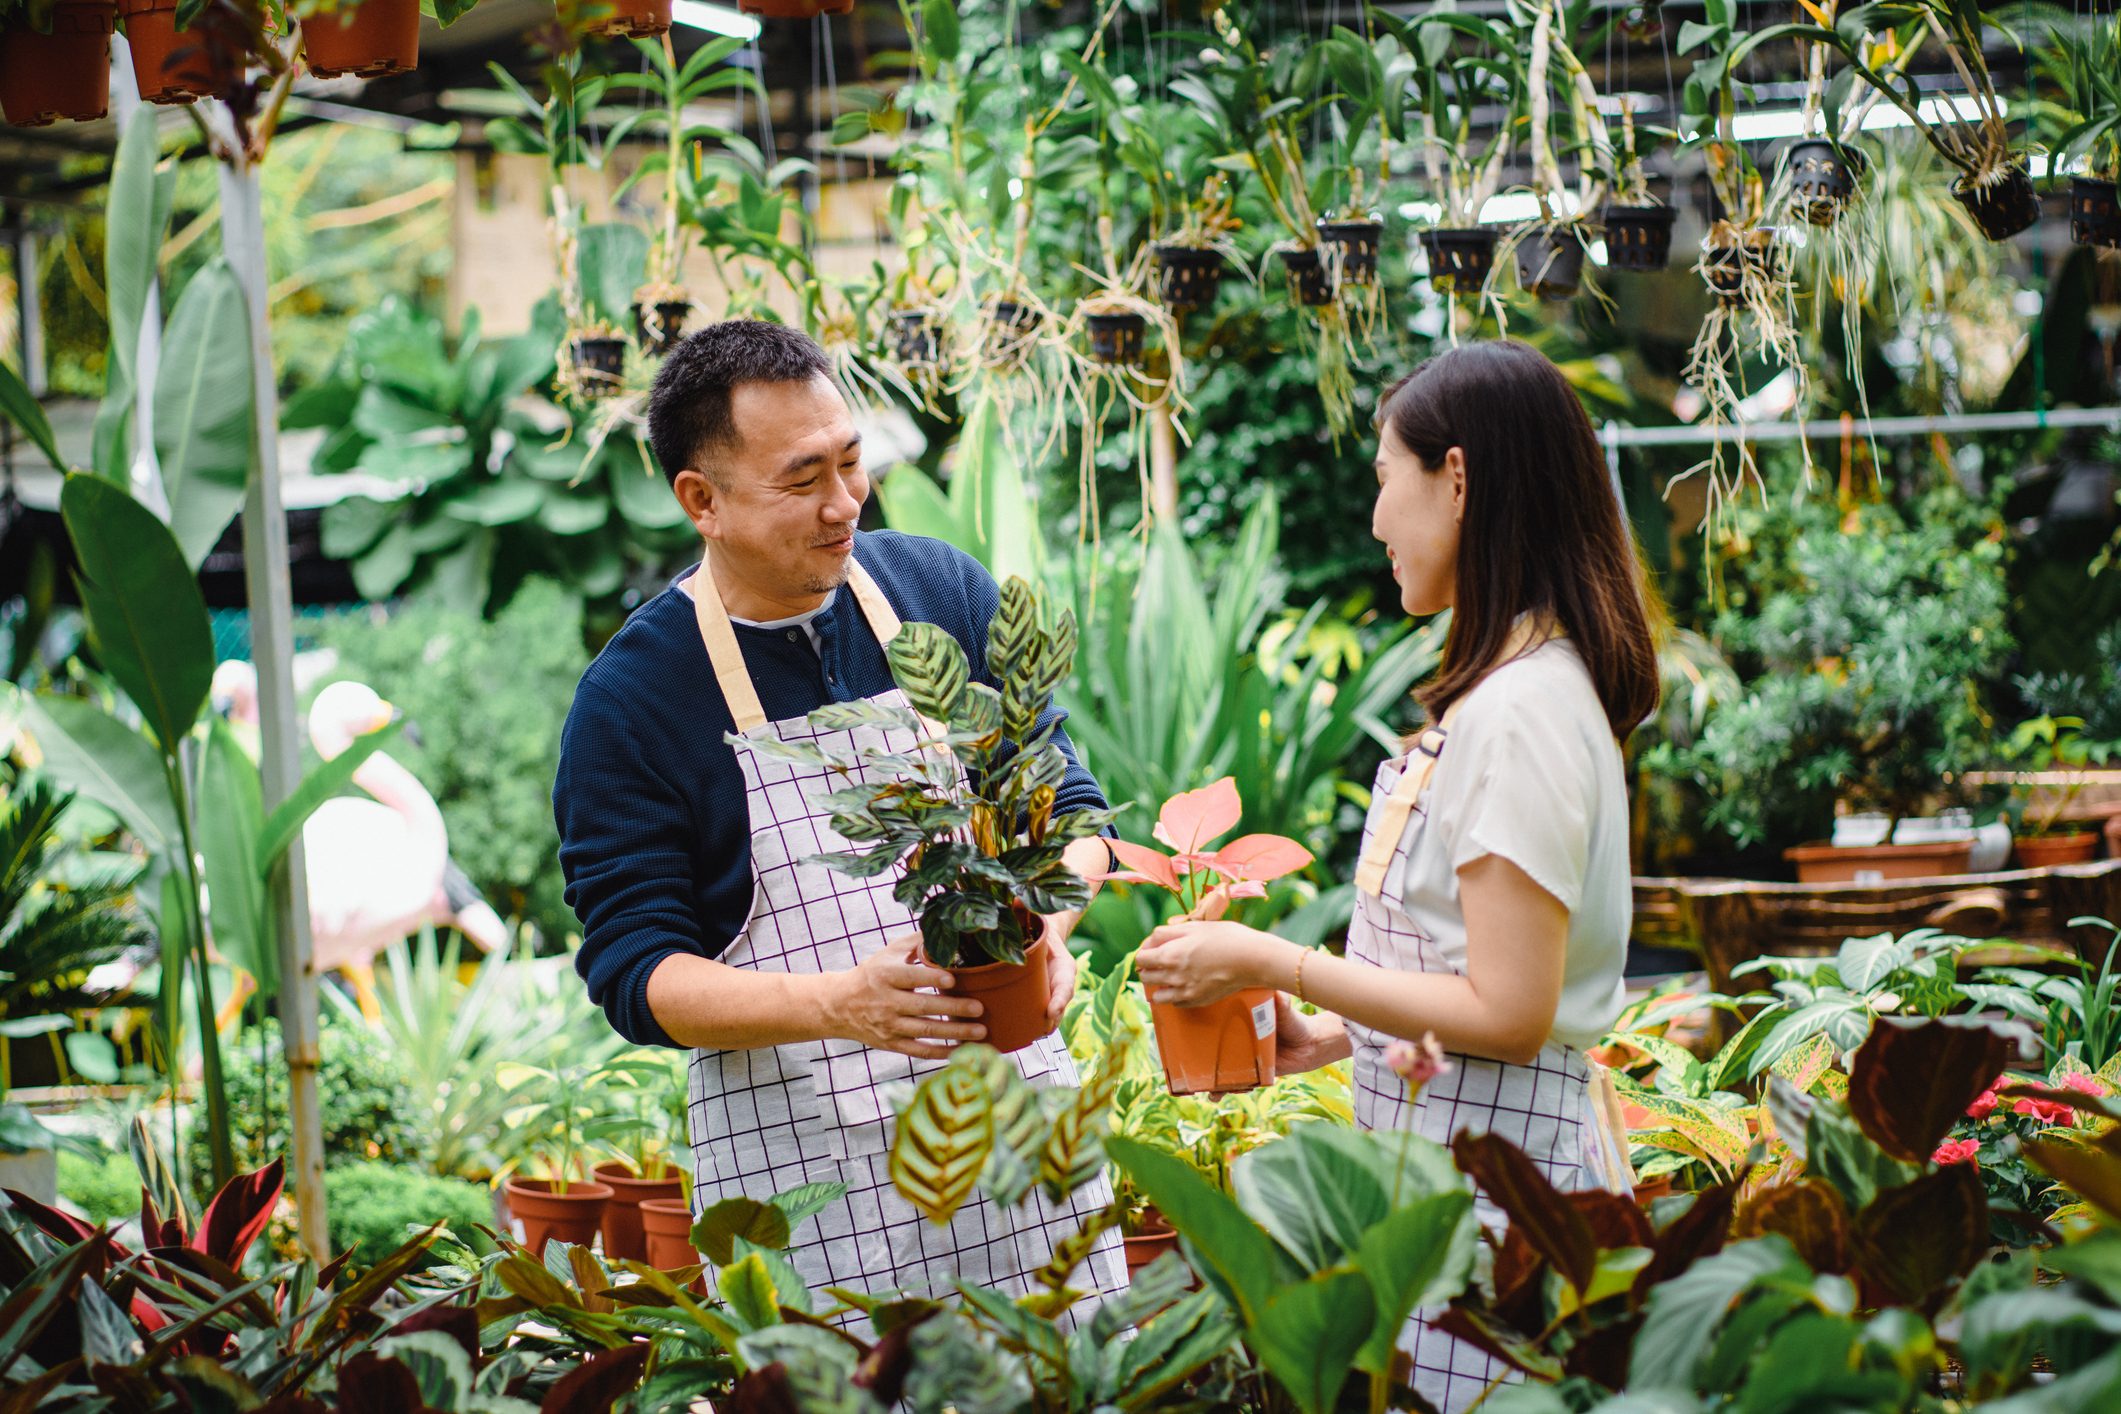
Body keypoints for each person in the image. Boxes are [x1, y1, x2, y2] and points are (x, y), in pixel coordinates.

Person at [553, 319, 1124, 1315]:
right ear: (702, 500)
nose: (843, 503)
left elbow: (1071, 809)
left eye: (853, 462)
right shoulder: (634, 699)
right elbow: (639, 972)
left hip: (1019, 1132)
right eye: (802, 477)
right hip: (804, 1174)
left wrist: (1050, 931)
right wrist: (837, 1004)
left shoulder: (937, 592)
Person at [1133, 339, 1658, 1413]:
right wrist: (1342, 1033)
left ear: (1455, 478)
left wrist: (1278, 957)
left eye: (1383, 478)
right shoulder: (1512, 688)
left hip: (1502, 1204)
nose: (1375, 520)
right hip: (1466, 1188)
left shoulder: (1519, 712)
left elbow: (1510, 1013)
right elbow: (1475, 974)